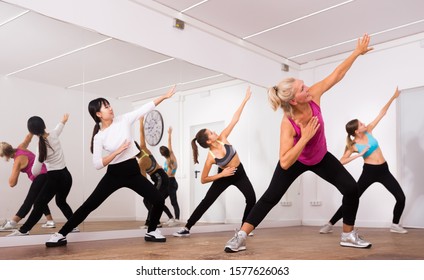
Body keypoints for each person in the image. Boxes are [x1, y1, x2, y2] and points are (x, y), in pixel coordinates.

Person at [224, 34, 374, 253]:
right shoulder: (288, 123)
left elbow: (336, 75)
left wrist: (356, 53)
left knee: (351, 188)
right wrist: (304, 138)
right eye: (303, 88)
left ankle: (348, 235)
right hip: (297, 159)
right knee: (270, 197)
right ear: (293, 100)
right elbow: (285, 163)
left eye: (304, 85)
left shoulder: (313, 96)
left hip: (321, 156)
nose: (308, 88)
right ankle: (240, 236)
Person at [45, 86, 175, 247]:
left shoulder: (123, 119)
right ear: (98, 114)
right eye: (106, 107)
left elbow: (144, 108)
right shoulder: (99, 137)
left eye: (109, 105)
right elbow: (97, 164)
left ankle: (152, 231)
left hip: (133, 172)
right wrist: (117, 152)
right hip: (114, 174)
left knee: (158, 200)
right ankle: (61, 234)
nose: (110, 108)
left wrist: (163, 97)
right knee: (89, 205)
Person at [320, 86, 407, 234]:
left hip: (384, 170)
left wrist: (393, 97)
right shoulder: (353, 145)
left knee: (400, 197)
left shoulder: (369, 131)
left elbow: (382, 113)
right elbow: (341, 161)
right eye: (361, 124)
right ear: (356, 131)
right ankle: (330, 223)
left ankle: (395, 224)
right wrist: (359, 155)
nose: (364, 124)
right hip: (369, 172)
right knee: (352, 198)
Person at [173, 86, 256, 237]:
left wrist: (245, 100)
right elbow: (203, 180)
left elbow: (235, 119)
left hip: (239, 173)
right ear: (209, 141)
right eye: (211, 133)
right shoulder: (211, 157)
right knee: (207, 201)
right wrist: (222, 174)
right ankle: (187, 227)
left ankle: (244, 229)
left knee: (251, 198)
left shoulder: (223, 138)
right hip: (223, 176)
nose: (214, 132)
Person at [8, 114, 75, 236]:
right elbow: (59, 128)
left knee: (39, 204)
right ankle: (73, 225)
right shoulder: (53, 134)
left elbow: (35, 171)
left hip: (54, 178)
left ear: (32, 132)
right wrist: (63, 120)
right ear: (44, 125)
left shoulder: (40, 146)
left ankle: (23, 230)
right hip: (66, 176)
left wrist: (31, 169)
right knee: (61, 201)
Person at [0, 134, 56, 231]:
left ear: (5, 155)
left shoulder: (17, 162)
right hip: (48, 174)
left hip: (41, 177)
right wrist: (34, 129)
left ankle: (12, 223)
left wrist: (15, 168)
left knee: (29, 201)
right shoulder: (21, 147)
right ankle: (50, 221)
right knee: (39, 200)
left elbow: (12, 183)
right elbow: (28, 137)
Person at [138, 117, 175, 227]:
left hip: (160, 178)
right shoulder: (144, 149)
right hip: (161, 177)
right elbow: (141, 134)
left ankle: (151, 222)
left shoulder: (141, 162)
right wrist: (141, 121)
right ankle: (158, 221)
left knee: (150, 200)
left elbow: (143, 181)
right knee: (154, 200)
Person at [159, 126, 180, 226]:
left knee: (173, 202)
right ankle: (171, 218)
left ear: (163, 155)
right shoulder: (171, 154)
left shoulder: (169, 161)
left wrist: (161, 170)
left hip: (171, 182)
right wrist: (169, 134)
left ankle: (177, 220)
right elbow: (169, 143)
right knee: (160, 200)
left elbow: (168, 174)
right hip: (169, 182)